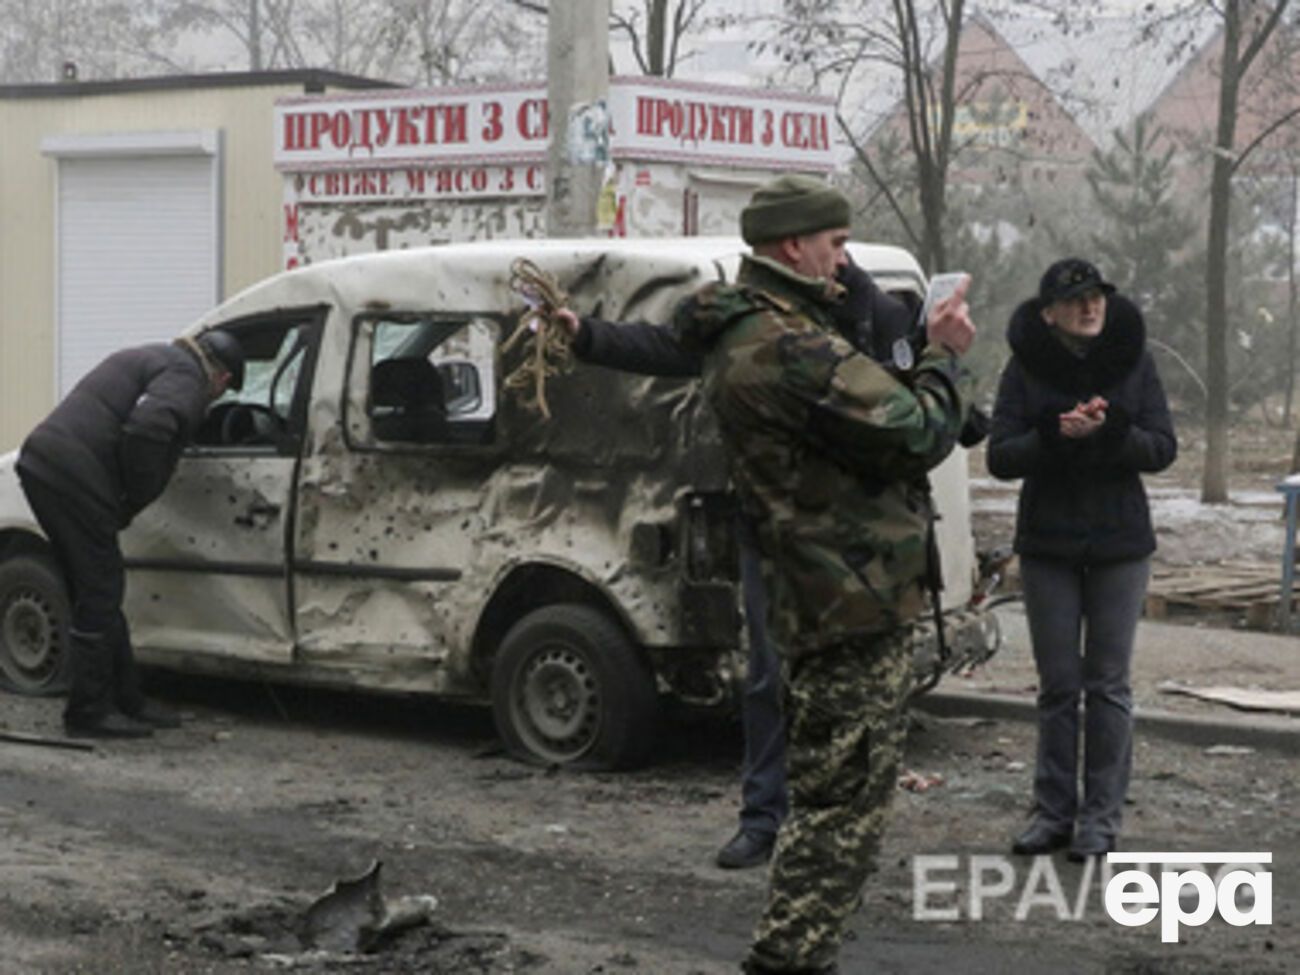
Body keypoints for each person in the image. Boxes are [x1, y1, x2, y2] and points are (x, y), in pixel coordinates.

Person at [669, 173, 975, 974]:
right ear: (792, 245)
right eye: (835, 245)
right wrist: (945, 354)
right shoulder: (786, 345)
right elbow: (913, 431)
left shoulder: (764, 327)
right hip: (848, 598)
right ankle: (789, 958)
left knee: (831, 798)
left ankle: (798, 953)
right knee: (840, 810)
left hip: (827, 591)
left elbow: (864, 414)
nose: (844, 262)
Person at [556, 255, 918, 872]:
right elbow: (671, 347)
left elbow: (909, 407)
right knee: (767, 677)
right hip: (771, 529)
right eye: (822, 242)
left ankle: (838, 828)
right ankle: (762, 820)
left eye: (837, 243)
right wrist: (588, 334)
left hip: (850, 536)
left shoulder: (875, 313)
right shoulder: (750, 317)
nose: (831, 256)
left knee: (847, 685)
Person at [987, 257, 1176, 861]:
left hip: (1120, 543)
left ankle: (1101, 818)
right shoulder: (1025, 368)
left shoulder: (1134, 361)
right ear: (1050, 314)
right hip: (1049, 545)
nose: (1089, 307)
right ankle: (1052, 811)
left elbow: (1162, 448)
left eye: (1096, 297)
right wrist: (1052, 434)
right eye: (1074, 301)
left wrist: (1113, 429)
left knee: (1110, 684)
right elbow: (1000, 456)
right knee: (1059, 685)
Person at [17, 330, 246, 739]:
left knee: (95, 588)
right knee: (102, 588)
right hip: (73, 476)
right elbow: (148, 428)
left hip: (45, 466)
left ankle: (127, 699)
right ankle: (88, 713)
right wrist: (134, 495)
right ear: (222, 380)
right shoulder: (188, 377)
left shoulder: (158, 358)